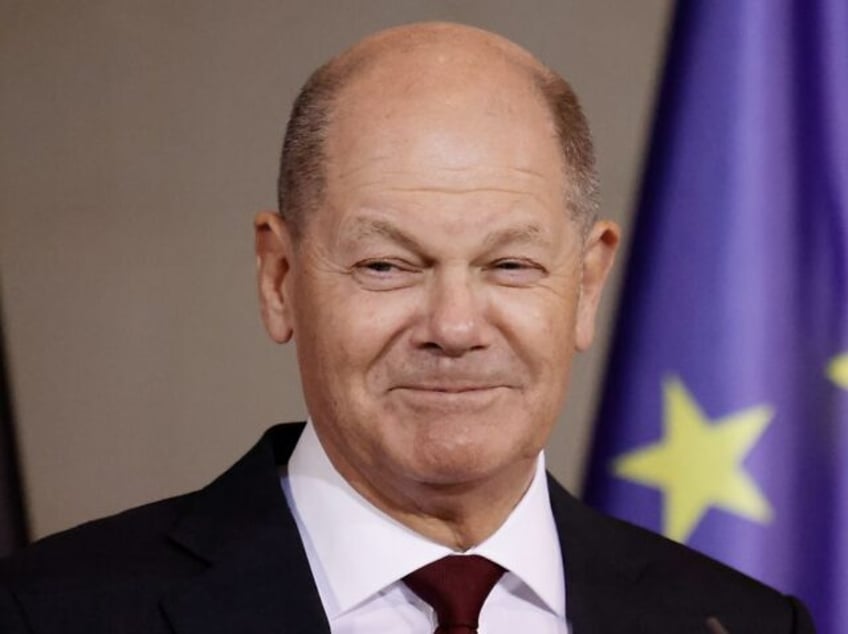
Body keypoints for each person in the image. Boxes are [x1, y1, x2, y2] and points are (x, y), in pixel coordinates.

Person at [0, 22, 815, 633]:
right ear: (279, 279)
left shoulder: (743, 624)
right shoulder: (50, 613)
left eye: (510, 266)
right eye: (387, 266)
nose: (454, 327)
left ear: (588, 284)